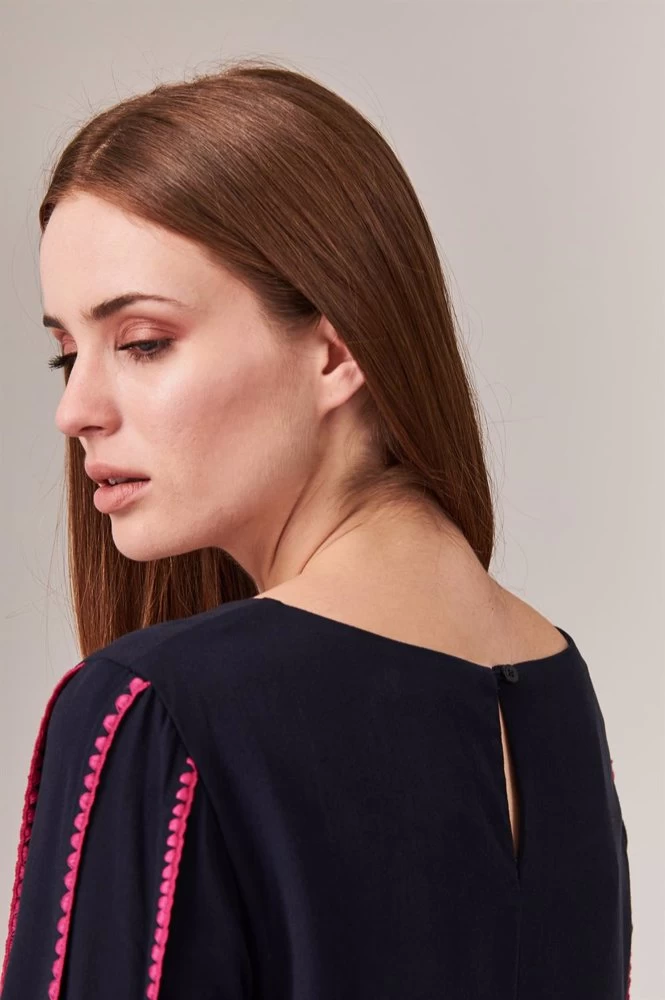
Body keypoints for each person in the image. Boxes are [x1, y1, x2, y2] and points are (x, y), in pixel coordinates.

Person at [1, 59, 632, 999]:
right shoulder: (556, 686)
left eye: (141, 343)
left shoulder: (155, 709)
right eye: (66, 355)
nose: (76, 411)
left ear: (335, 352)